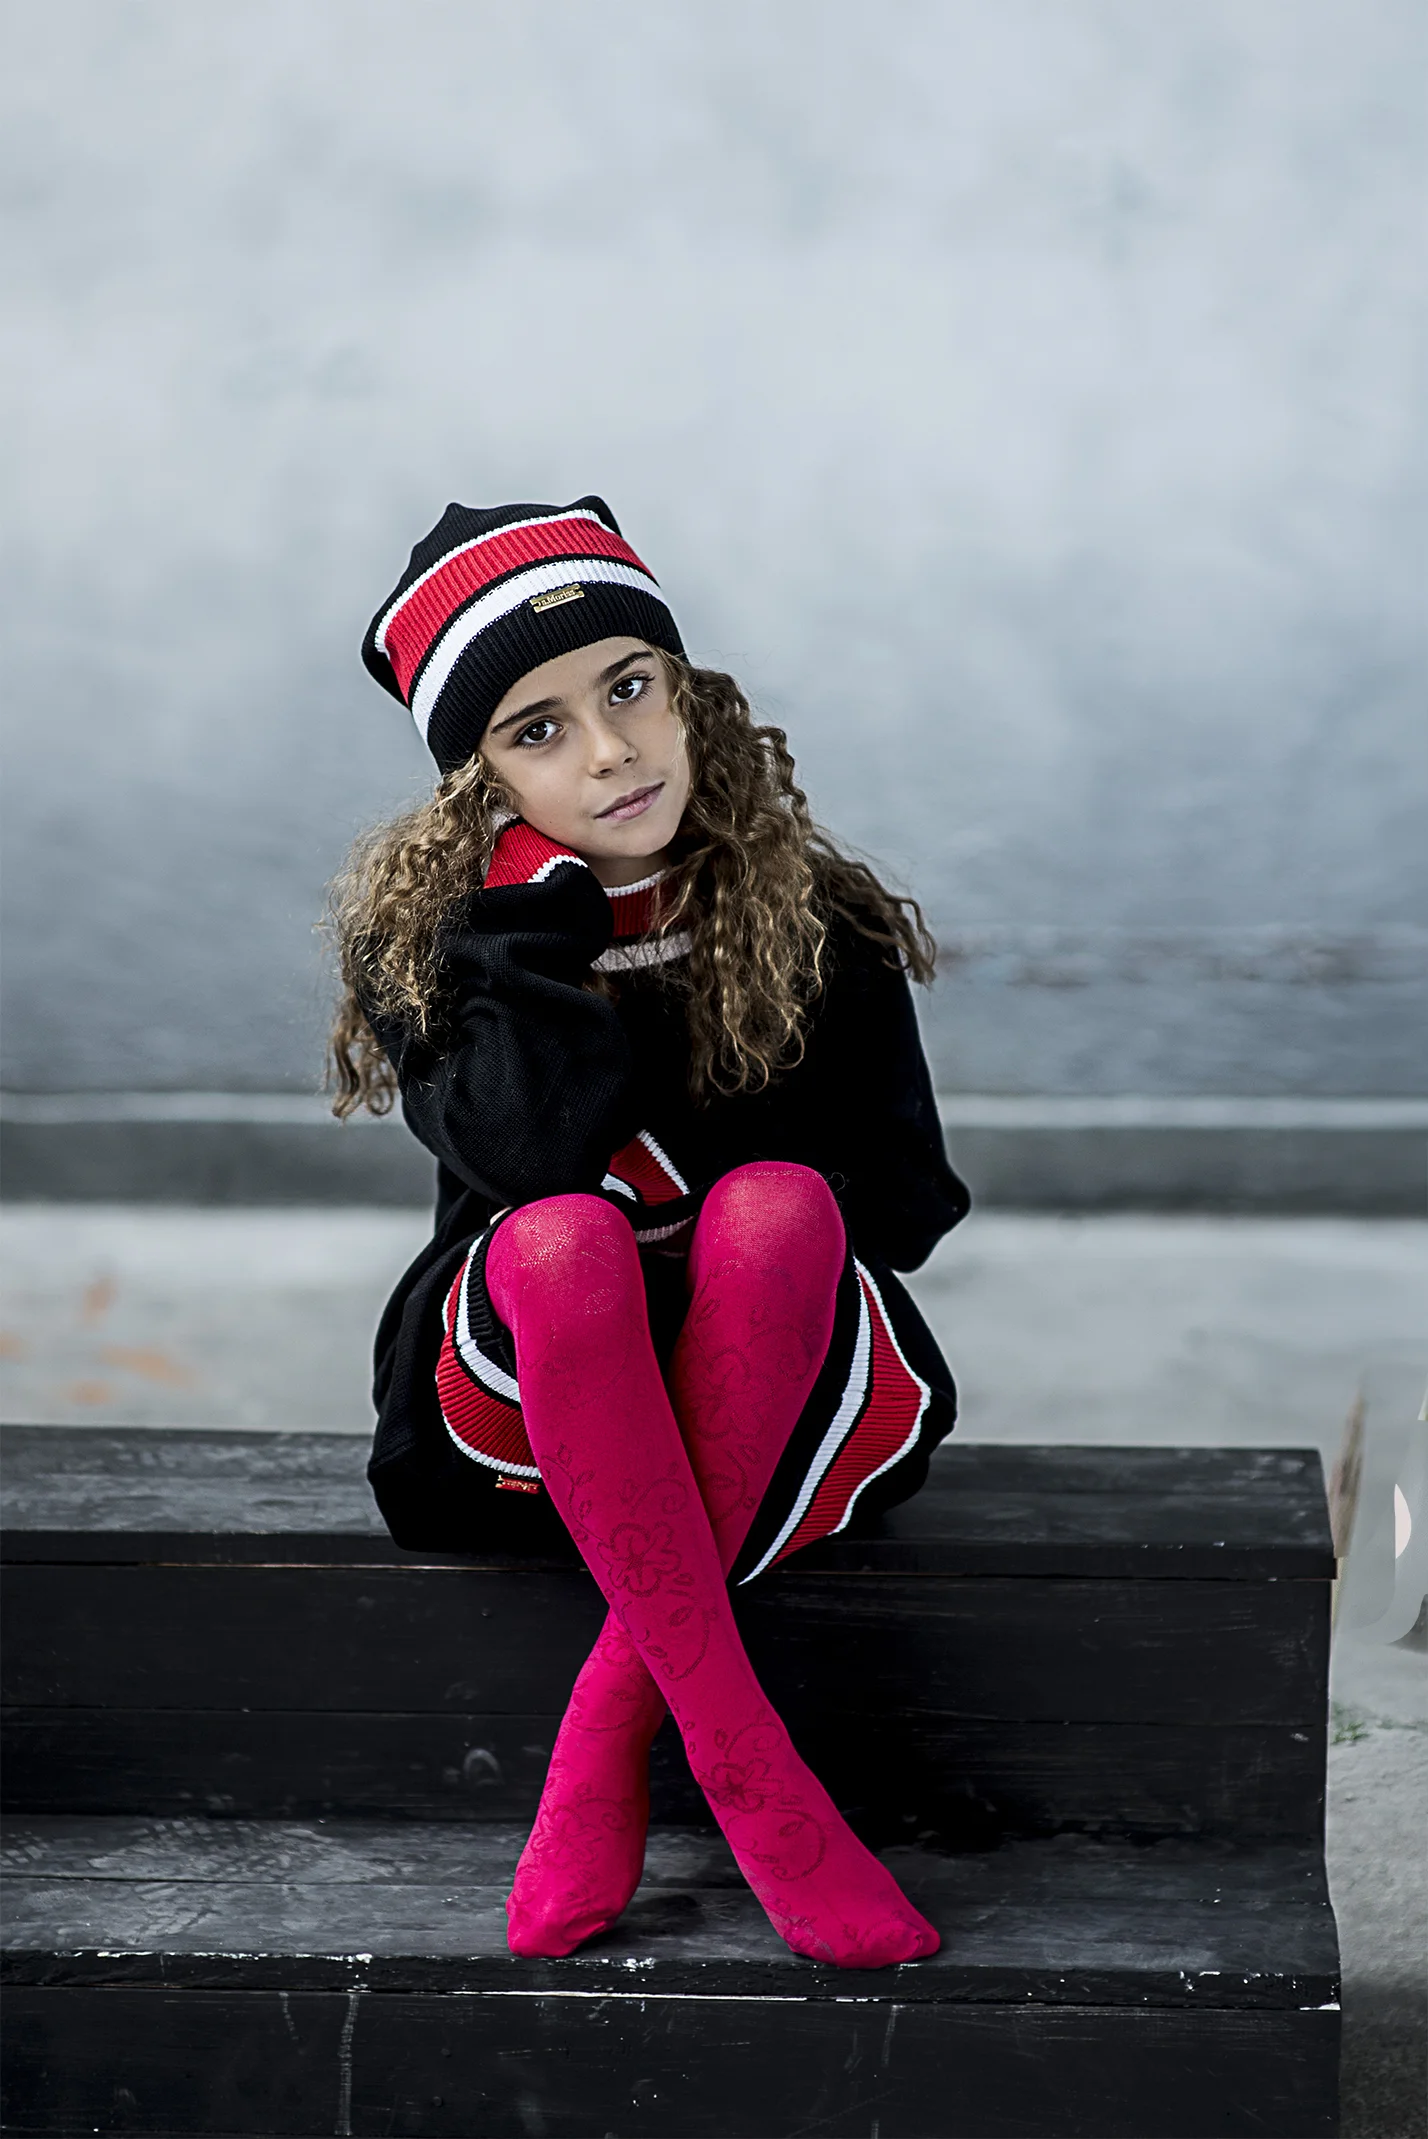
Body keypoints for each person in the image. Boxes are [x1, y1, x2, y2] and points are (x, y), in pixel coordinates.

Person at [330, 496, 970, 1969]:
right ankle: (762, 1782)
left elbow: (907, 1204)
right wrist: (538, 937)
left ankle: (604, 1752)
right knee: (564, 1238)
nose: (612, 751)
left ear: (689, 692)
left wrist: (734, 1209)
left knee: (778, 1205)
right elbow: (524, 1160)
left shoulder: (818, 915)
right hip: (528, 1395)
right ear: (479, 783)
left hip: (783, 1385)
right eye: (538, 731)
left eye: (628, 687)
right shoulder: (454, 945)